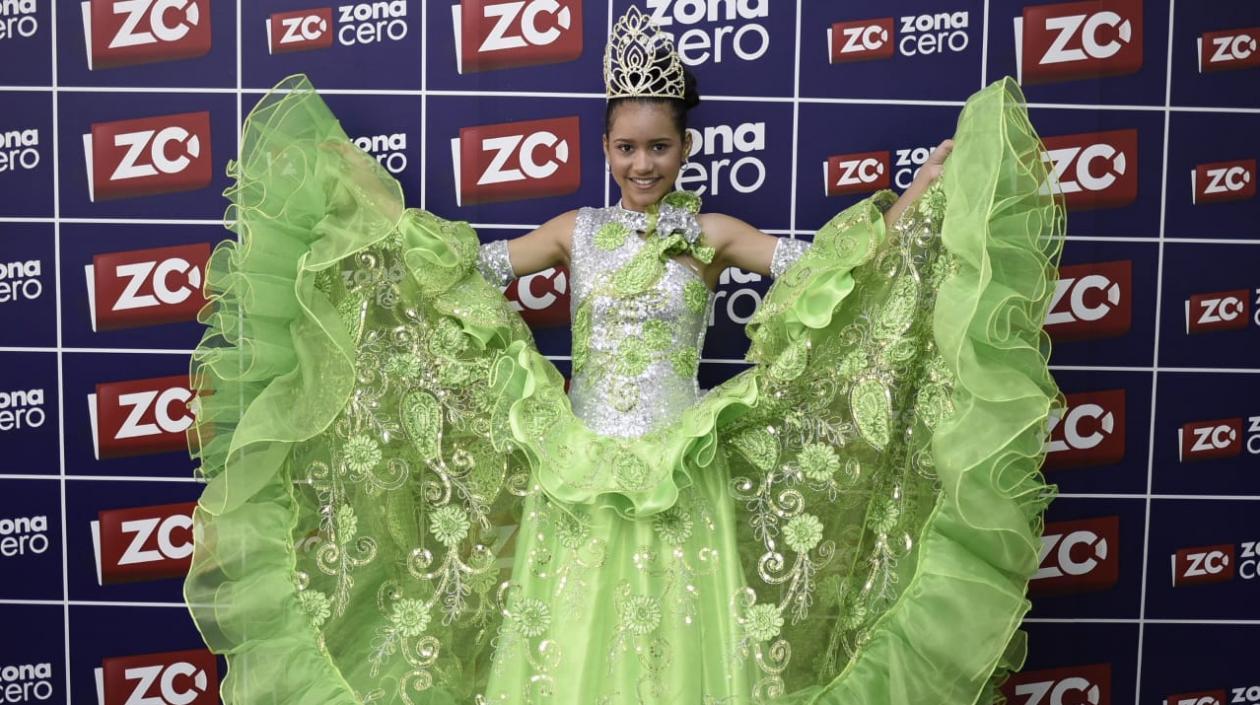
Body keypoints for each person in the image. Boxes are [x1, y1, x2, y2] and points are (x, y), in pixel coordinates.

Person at [184, 6, 1066, 705]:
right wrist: (369, 228)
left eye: (659, 145)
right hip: (580, 467)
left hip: (685, 469)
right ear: (604, 149)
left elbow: (844, 269)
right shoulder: (578, 232)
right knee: (567, 641)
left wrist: (916, 200)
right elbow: (460, 272)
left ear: (686, 147)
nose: (642, 163)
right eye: (626, 146)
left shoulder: (710, 231)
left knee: (689, 645)